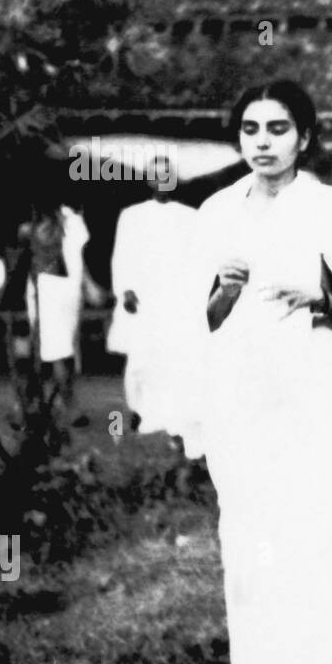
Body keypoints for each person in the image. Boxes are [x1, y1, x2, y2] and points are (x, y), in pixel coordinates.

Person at [194, 80, 332, 664]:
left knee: (312, 529)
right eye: (251, 129)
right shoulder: (217, 211)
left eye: (278, 129)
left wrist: (319, 298)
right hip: (240, 395)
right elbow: (203, 321)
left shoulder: (329, 207)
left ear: (304, 136)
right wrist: (222, 292)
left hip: (309, 390)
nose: (263, 142)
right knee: (247, 532)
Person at [108, 159, 204, 456]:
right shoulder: (132, 216)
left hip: (177, 302)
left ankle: (175, 425)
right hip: (144, 302)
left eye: (167, 176)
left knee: (175, 365)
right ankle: (140, 414)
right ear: (149, 181)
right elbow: (121, 257)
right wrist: (125, 289)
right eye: (156, 176)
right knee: (140, 364)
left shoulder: (190, 216)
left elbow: (198, 261)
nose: (161, 180)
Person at [22, 201, 93, 425]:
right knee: (59, 349)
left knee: (48, 346)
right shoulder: (70, 223)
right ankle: (65, 404)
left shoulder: (39, 224)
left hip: (49, 286)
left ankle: (30, 402)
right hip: (59, 288)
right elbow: (78, 259)